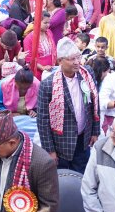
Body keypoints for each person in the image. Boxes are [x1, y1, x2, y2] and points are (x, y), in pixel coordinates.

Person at [37, 37, 100, 173]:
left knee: (81, 175)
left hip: (83, 138)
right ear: (60, 61)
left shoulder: (87, 74)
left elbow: (95, 103)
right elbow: (42, 120)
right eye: (72, 59)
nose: (77, 62)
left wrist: (95, 131)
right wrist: (50, 150)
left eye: (78, 57)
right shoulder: (48, 84)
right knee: (62, 178)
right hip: (61, 143)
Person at [23, 11, 56, 80]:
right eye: (45, 23)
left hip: (51, 69)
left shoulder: (49, 32)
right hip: (38, 72)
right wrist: (42, 68)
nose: (48, 25)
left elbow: (54, 50)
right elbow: (29, 59)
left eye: (49, 22)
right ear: (37, 22)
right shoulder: (29, 39)